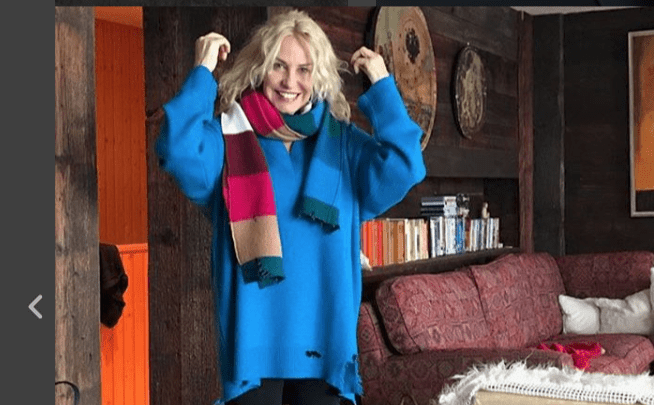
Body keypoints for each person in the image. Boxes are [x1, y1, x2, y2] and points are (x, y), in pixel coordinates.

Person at [155, 9, 426, 405]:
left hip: (325, 346)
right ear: (259, 67)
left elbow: (406, 164)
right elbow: (177, 149)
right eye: (278, 66)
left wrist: (383, 86)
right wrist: (202, 72)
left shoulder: (345, 145)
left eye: (304, 69)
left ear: (318, 75)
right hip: (253, 351)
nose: (290, 81)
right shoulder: (227, 138)